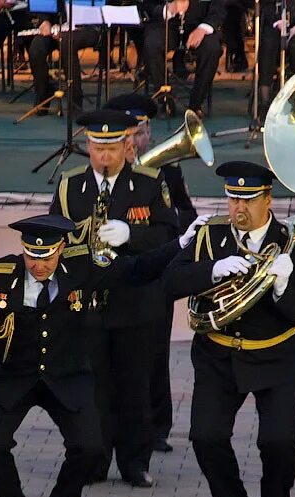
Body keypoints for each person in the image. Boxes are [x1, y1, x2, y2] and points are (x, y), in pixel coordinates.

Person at [0, 214, 203, 497]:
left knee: (89, 449)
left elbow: (135, 270)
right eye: (32, 256)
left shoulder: (81, 266)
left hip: (67, 374)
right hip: (12, 376)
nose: (38, 266)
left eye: (46, 257)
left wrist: (179, 245)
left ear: (61, 249)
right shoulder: (0, 274)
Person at [164, 161, 295, 497]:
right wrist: (212, 269)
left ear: (268, 199)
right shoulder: (209, 236)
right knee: (205, 437)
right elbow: (169, 282)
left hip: (277, 358)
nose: (238, 208)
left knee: (278, 444)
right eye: (233, 198)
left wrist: (283, 286)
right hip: (218, 357)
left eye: (248, 199)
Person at [49, 110, 180, 487]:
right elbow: (52, 237)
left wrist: (131, 235)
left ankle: (134, 462)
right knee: (92, 388)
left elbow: (169, 237)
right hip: (87, 304)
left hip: (135, 303)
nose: (103, 157)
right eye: (95, 147)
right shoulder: (69, 186)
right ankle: (94, 458)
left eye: (111, 148)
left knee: (134, 387)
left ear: (127, 145)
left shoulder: (151, 184)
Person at [102, 92, 198, 452]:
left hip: (155, 272)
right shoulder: (103, 170)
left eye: (140, 132)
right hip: (113, 276)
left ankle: (156, 427)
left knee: (155, 354)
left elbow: (185, 217)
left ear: (148, 133)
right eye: (128, 134)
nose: (134, 141)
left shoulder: (167, 170)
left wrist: (159, 224)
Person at [142, 0, 225, 115]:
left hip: (199, 24)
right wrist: (168, 9)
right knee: (151, 43)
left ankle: (195, 105)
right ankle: (164, 100)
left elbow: (220, 6)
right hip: (167, 24)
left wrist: (204, 27)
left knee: (212, 48)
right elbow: (147, 7)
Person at [27, 3, 100, 115]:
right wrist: (45, 21)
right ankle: (43, 96)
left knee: (67, 41)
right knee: (37, 47)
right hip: (57, 26)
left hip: (86, 26)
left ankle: (75, 101)